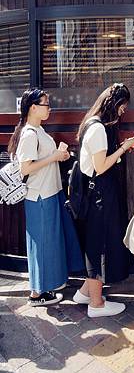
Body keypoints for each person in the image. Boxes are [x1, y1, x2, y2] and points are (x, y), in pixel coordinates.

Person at [8, 88, 83, 306]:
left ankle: (45, 288)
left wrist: (59, 156)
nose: (49, 108)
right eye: (45, 104)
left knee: (47, 242)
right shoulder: (30, 133)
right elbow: (25, 168)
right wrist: (54, 157)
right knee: (41, 244)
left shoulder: (37, 130)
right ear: (33, 107)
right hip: (39, 195)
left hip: (48, 192)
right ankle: (36, 294)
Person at [74, 83, 134, 318]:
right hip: (100, 195)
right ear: (115, 104)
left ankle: (84, 292)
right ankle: (96, 304)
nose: (124, 110)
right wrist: (124, 148)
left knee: (95, 242)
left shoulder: (91, 124)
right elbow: (101, 167)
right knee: (99, 245)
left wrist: (122, 148)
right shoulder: (99, 128)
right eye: (123, 106)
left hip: (94, 194)